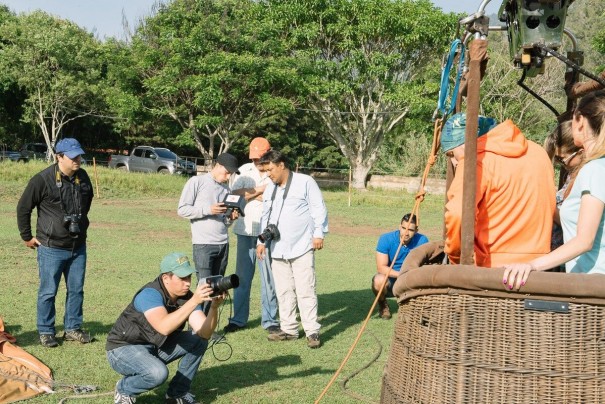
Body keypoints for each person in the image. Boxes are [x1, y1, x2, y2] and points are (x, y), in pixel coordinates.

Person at [504, 90, 605, 289]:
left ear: (580, 121)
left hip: (593, 282)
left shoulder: (594, 170)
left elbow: (584, 240)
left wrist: (532, 265)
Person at [106, 252, 224, 404]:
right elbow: (164, 327)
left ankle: (177, 394)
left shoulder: (187, 297)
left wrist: (214, 308)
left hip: (155, 345)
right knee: (157, 373)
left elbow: (205, 333)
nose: (187, 283)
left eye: (188, 277)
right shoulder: (150, 294)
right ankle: (124, 389)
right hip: (124, 348)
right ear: (166, 278)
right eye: (182, 278)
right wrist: (194, 301)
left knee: (198, 340)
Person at [442, 112, 556, 268]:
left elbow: (458, 213)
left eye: (451, 153)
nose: (454, 162)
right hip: (540, 264)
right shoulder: (539, 152)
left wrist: (456, 255)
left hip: (493, 268)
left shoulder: (474, 161)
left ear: (465, 143)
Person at [16, 138, 94, 348]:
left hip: (78, 246)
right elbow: (23, 208)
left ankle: (72, 328)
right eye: (73, 156)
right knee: (48, 291)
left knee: (76, 290)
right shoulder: (41, 179)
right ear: (59, 156)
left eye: (79, 155)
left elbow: (87, 204)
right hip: (50, 246)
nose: (78, 159)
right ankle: (46, 331)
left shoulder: (84, 177)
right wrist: (26, 236)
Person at [256, 150, 328, 349]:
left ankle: (312, 331)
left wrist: (318, 233)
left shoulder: (306, 182)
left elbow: (318, 208)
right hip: (277, 248)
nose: (268, 174)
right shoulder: (270, 188)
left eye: (270, 169)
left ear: (281, 165)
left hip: (302, 245)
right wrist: (260, 241)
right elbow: (266, 216)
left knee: (306, 289)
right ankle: (288, 329)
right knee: (284, 290)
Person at [223, 138, 280, 335]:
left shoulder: (275, 170)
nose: (257, 162)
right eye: (254, 158)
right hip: (244, 230)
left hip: (266, 233)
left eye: (260, 157)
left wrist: (250, 193)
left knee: (268, 279)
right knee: (242, 278)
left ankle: (270, 320)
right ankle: (238, 319)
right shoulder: (244, 170)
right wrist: (261, 191)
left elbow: (275, 198)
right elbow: (235, 195)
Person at [177, 153, 239, 313]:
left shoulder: (227, 189)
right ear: (218, 165)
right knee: (204, 288)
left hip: (223, 244)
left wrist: (231, 218)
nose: (228, 176)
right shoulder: (197, 182)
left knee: (218, 287)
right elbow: (182, 209)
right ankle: (196, 328)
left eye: (230, 174)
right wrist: (208, 209)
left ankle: (209, 328)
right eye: (226, 172)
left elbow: (225, 221)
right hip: (203, 244)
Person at [373, 214, 429, 319]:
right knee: (378, 280)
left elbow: (424, 266)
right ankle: (382, 305)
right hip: (392, 279)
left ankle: (414, 307)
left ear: (416, 230)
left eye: (411, 230)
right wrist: (402, 274)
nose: (406, 233)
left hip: (411, 279)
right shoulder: (385, 239)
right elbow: (381, 268)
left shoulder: (422, 241)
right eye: (404, 228)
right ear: (399, 226)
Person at [543, 120, 583, 253]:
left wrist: (548, 205)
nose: (561, 163)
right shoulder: (572, 174)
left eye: (562, 158)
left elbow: (576, 223)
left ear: (580, 151)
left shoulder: (587, 176)